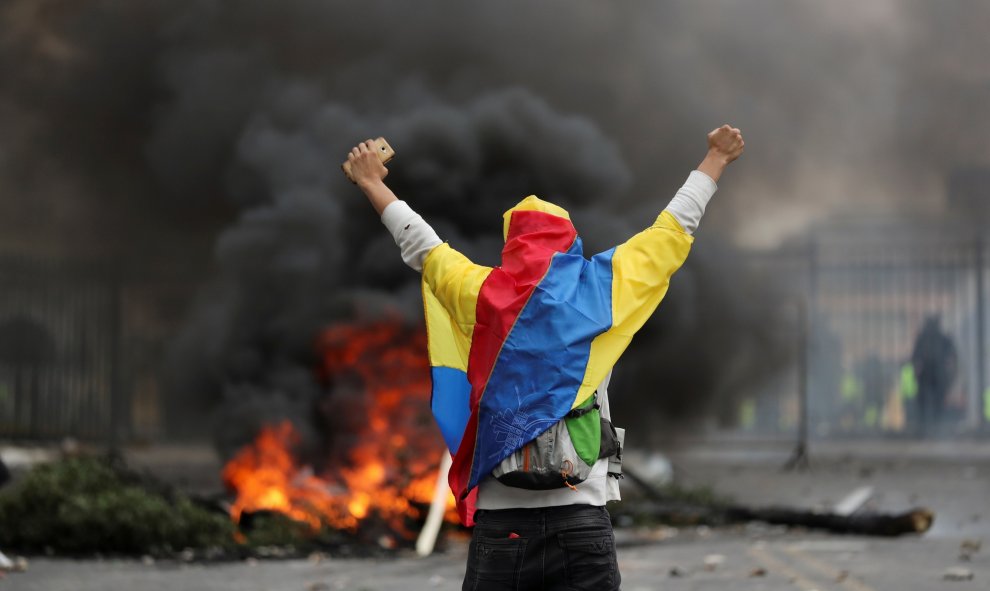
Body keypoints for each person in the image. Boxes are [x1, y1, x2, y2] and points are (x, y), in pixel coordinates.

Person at [346, 124, 744, 590]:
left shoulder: (479, 293)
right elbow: (674, 227)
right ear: (569, 242)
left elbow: (421, 244)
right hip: (582, 522)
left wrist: (373, 182)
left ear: (510, 245)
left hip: (502, 526)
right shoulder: (601, 289)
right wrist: (715, 159)